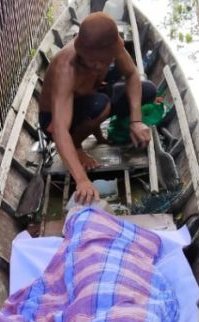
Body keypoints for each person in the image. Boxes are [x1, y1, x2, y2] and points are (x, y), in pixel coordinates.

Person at [39, 12, 157, 205]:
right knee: (101, 104)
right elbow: (59, 129)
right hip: (55, 119)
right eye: (91, 60)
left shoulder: (114, 46)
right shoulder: (65, 67)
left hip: (92, 96)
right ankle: (76, 146)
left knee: (148, 90)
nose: (96, 65)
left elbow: (133, 75)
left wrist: (136, 121)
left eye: (102, 60)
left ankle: (119, 125)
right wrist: (82, 180)